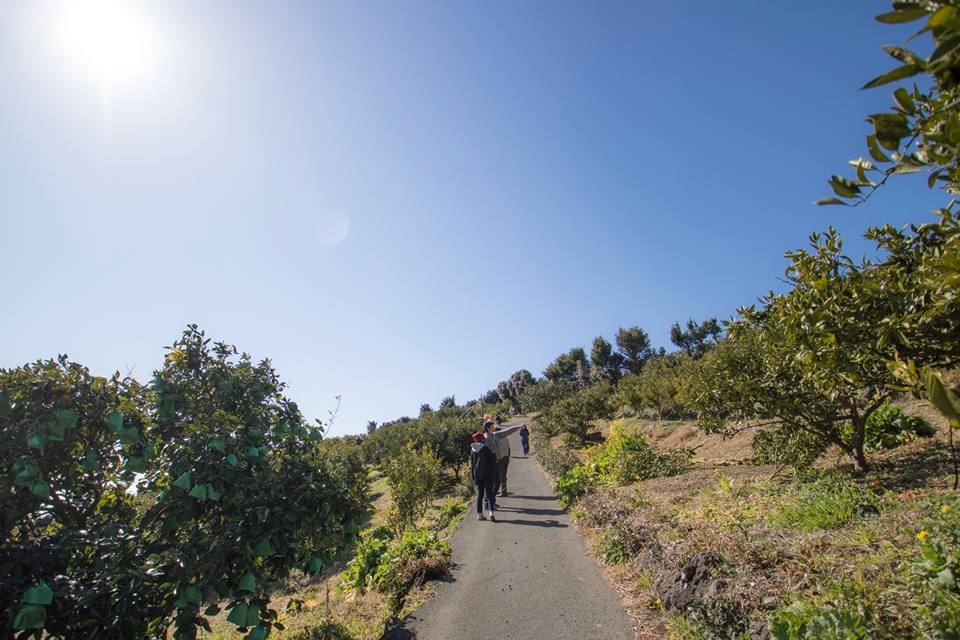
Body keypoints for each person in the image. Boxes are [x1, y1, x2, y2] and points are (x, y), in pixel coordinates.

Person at [483, 419, 521, 498]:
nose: (494, 427)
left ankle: (497, 495)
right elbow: (486, 451)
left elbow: (506, 432)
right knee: (494, 480)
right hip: (492, 462)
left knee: (499, 478)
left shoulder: (495, 434)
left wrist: (518, 427)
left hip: (499, 460)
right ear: (488, 428)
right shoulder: (486, 438)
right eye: (492, 426)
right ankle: (489, 500)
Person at [470, 431, 497, 521]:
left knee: (480, 494)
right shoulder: (485, 448)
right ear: (482, 439)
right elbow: (493, 458)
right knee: (489, 493)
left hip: (477, 475)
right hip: (487, 474)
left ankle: (479, 514)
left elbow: (472, 464)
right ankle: (491, 512)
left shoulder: (473, 449)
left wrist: (473, 476)